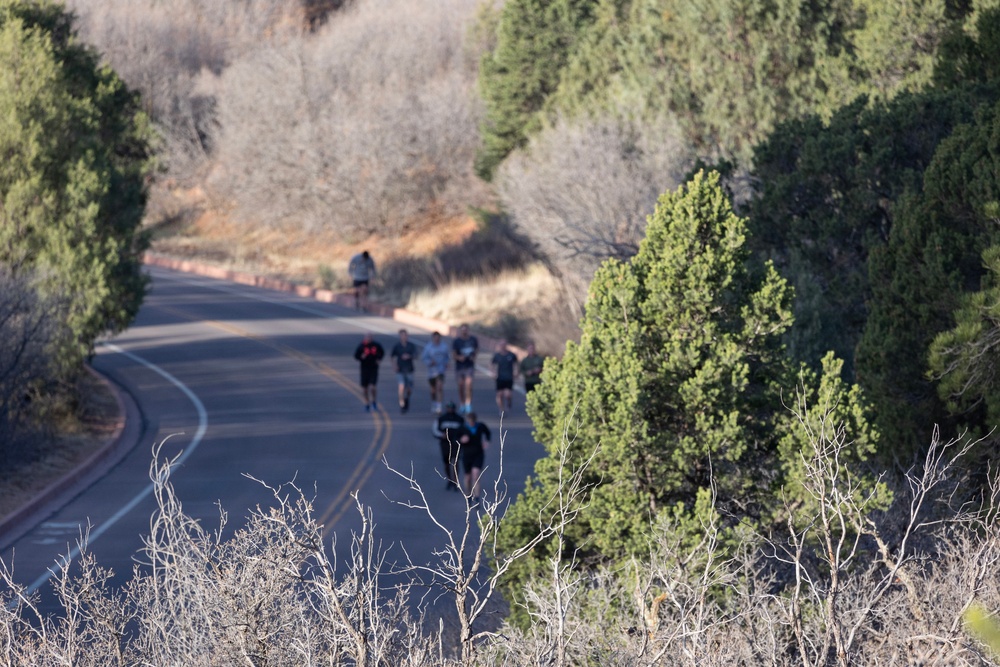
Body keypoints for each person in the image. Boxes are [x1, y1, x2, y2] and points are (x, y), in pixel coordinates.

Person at [458, 411, 490, 503]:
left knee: (476, 474)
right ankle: (468, 495)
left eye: (473, 421)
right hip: (467, 455)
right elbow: (455, 438)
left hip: (478, 454)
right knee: (467, 477)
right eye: (470, 421)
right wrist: (461, 440)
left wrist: (486, 441)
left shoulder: (480, 426)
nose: (471, 423)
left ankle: (477, 497)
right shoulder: (463, 428)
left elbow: (488, 433)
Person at [432, 401, 464, 492]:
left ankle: (455, 481)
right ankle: (449, 479)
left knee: (456, 461)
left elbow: (464, 430)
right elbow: (434, 430)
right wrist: (441, 435)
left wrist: (461, 438)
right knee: (447, 462)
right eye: (449, 408)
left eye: (452, 408)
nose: (450, 409)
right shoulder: (441, 419)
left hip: (456, 443)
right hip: (445, 443)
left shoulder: (459, 419)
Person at [353, 332, 384, 411]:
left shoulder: (376, 345)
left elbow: (382, 353)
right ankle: (367, 403)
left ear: (372, 337)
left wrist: (379, 359)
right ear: (365, 337)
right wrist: (361, 357)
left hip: (373, 368)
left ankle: (373, 401)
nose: (368, 338)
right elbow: (356, 356)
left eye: (370, 337)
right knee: (365, 388)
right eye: (367, 337)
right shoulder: (362, 346)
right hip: (364, 369)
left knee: (372, 387)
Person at [421, 331, 450, 414]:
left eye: (438, 337)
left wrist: (447, 363)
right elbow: (424, 358)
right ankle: (434, 402)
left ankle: (439, 405)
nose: (437, 339)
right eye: (435, 337)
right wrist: (430, 362)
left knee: (439, 387)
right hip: (432, 371)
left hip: (441, 370)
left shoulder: (444, 346)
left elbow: (447, 357)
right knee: (433, 390)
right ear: (433, 338)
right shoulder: (429, 347)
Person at [452, 324, 478, 414]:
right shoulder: (457, 341)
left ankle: (468, 403)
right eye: (462, 330)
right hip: (460, 367)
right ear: (460, 331)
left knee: (469, 384)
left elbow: (476, 350)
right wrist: (459, 357)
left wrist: (473, 357)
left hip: (469, 366)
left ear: (468, 330)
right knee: (461, 386)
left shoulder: (473, 340)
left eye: (466, 330)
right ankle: (462, 403)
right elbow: (454, 354)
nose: (464, 332)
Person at [390, 329, 417, 413]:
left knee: (409, 389)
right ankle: (402, 404)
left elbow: (416, 355)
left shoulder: (411, 346)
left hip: (409, 369)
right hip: (400, 369)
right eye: (402, 335)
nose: (404, 337)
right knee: (401, 386)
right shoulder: (397, 346)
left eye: (405, 335)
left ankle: (407, 399)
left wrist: (409, 356)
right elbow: (392, 356)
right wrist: (395, 366)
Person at [491, 339, 518, 413]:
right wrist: (493, 373)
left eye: (504, 345)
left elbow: (515, 364)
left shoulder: (511, 355)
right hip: (500, 377)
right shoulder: (497, 355)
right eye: (501, 345)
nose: (502, 346)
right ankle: (501, 409)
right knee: (499, 394)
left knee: (507, 395)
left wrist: (516, 372)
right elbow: (492, 364)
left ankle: (509, 402)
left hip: (509, 377)